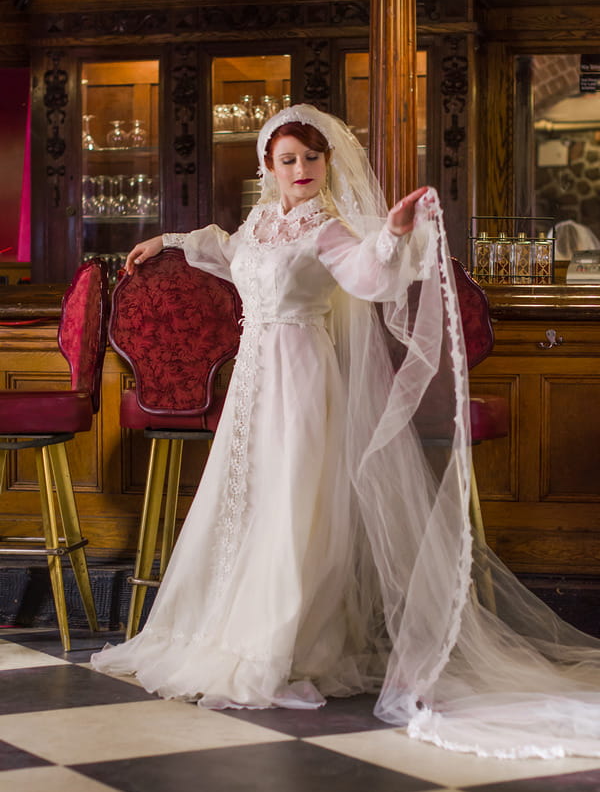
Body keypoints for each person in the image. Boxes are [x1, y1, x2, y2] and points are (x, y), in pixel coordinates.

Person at [93, 104, 600, 758]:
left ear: (327, 161)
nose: (301, 169)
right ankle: (227, 628)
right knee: (247, 500)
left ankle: (283, 641)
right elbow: (227, 250)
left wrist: (389, 234)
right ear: (267, 168)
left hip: (300, 375)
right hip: (253, 380)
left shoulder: (325, 226)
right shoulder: (261, 220)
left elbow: (369, 275)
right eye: (288, 159)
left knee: (292, 504)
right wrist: (171, 242)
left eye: (312, 156)